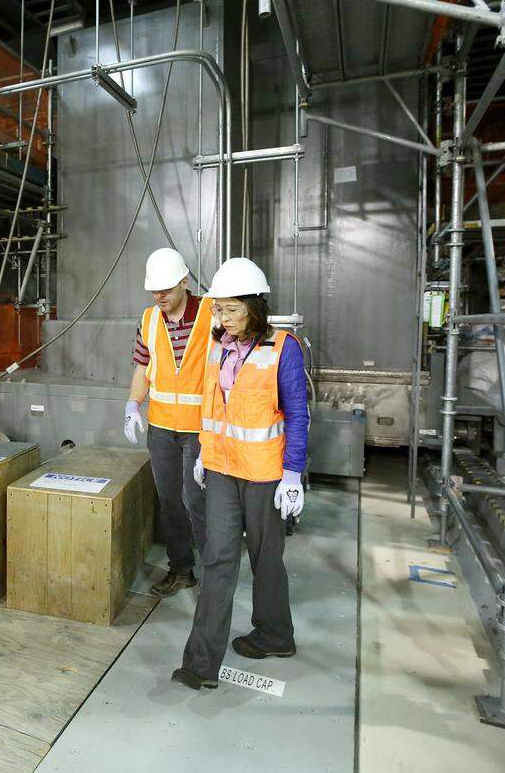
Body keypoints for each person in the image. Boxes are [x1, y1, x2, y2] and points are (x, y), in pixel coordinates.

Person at [171, 257, 309, 690]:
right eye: (217, 309)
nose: (223, 318)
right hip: (220, 469)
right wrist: (202, 454)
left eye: (232, 309)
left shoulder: (283, 347)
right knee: (216, 558)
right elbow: (212, 406)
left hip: (265, 472)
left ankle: (275, 635)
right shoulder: (217, 345)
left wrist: (293, 475)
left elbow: (298, 415)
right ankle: (200, 663)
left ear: (255, 306)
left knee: (266, 557)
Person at [124, 248, 213, 598]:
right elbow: (142, 367)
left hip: (199, 429)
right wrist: (132, 405)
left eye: (166, 290)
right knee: (170, 500)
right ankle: (181, 569)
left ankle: (213, 572)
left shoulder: (211, 313)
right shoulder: (148, 319)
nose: (159, 297)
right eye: (154, 291)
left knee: (198, 501)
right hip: (161, 428)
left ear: (184, 282)